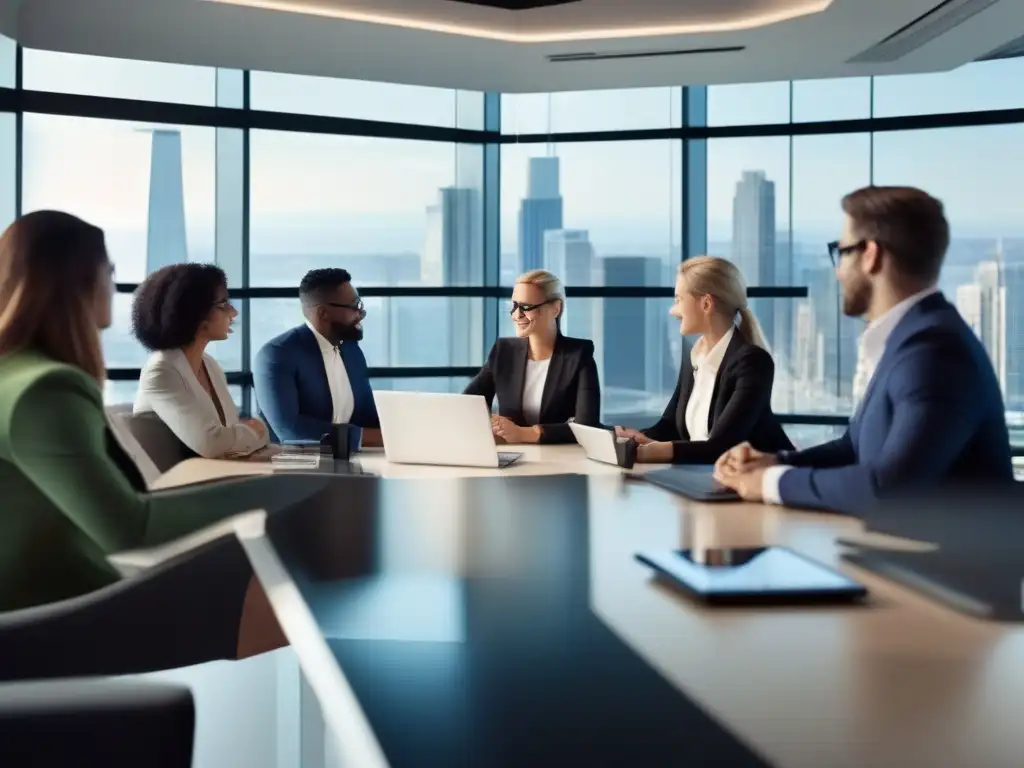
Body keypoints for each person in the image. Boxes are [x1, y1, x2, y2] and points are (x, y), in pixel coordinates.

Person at [0, 210, 328, 668]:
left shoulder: (15, 375)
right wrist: (298, 489)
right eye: (109, 269)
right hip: (56, 610)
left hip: (55, 593)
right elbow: (130, 528)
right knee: (311, 593)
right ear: (80, 277)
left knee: (285, 581)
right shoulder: (45, 390)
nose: (115, 282)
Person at [714, 186, 1014, 515]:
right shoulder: (907, 339)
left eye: (840, 252)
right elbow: (854, 447)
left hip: (939, 564)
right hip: (896, 554)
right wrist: (774, 462)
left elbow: (887, 489)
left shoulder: (934, 353)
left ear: (871, 255)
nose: (838, 271)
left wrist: (771, 483)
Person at [615, 256, 792, 464]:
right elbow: (670, 425)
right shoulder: (695, 356)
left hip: (758, 486)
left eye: (678, 300)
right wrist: (633, 440)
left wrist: (647, 453)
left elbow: (722, 447)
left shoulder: (753, 363)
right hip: (705, 479)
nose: (673, 311)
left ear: (706, 303)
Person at [133, 263, 268, 460]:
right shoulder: (161, 371)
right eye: (223, 304)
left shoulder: (210, 365)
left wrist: (243, 435)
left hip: (218, 473)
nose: (233, 312)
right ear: (193, 313)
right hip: (180, 484)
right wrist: (255, 431)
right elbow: (212, 444)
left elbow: (229, 437)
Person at [464, 270, 600, 444]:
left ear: (555, 309)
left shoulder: (579, 354)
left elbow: (588, 427)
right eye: (514, 306)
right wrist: (493, 424)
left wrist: (523, 434)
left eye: (526, 307)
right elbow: (469, 403)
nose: (516, 315)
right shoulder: (503, 351)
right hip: (511, 457)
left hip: (561, 459)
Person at [253, 268, 381, 449]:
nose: (361, 314)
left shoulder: (352, 351)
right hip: (295, 469)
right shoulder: (276, 355)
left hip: (351, 464)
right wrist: (369, 437)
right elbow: (290, 430)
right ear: (323, 313)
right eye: (355, 306)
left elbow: (367, 414)